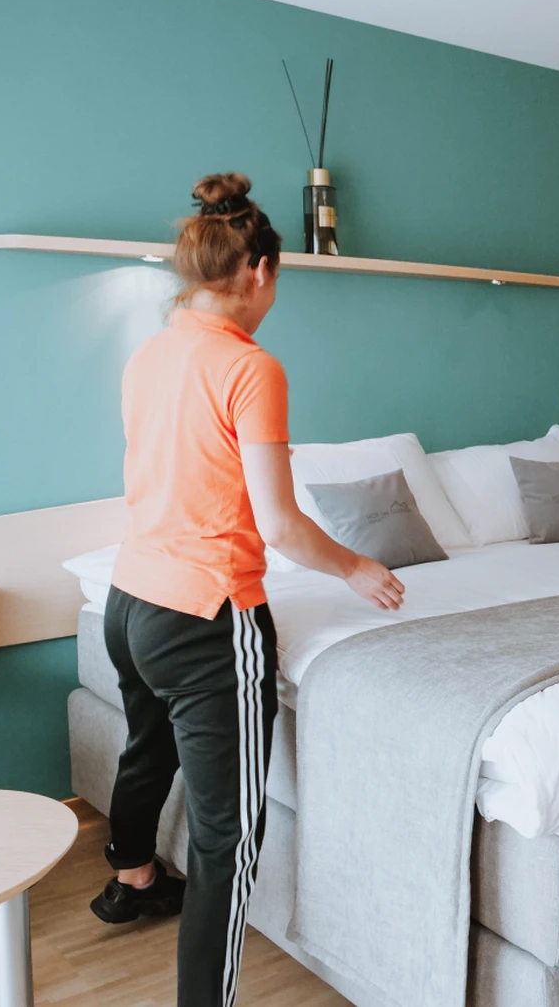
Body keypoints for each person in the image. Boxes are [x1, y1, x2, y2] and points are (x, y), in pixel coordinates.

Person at [90, 173, 405, 1007]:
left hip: (130, 601)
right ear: (261, 270)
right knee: (230, 839)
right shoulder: (250, 367)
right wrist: (358, 568)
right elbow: (280, 525)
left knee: (144, 749)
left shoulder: (151, 352)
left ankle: (131, 879)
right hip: (204, 617)